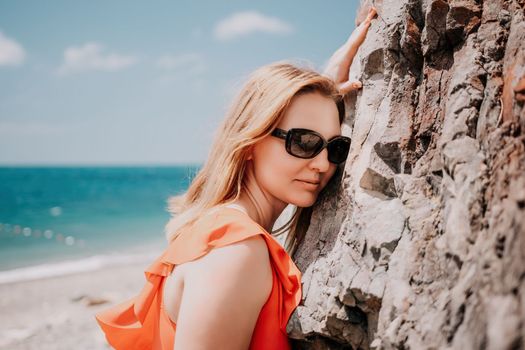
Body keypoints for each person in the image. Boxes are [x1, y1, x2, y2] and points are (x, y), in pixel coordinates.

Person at [95, 6, 377, 350]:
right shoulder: (237, 251)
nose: (322, 164)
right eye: (304, 142)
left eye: (335, 148)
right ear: (249, 144)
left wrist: (323, 94)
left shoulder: (217, 231)